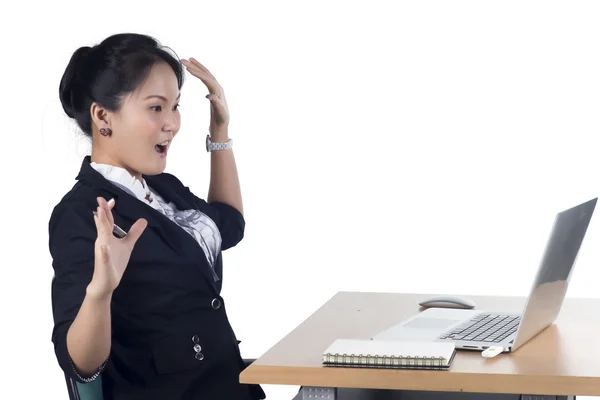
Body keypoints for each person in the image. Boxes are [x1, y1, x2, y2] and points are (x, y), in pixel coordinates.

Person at [49, 33, 265, 400]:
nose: (172, 123)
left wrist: (220, 131)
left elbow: (229, 225)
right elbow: (80, 364)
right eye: (156, 108)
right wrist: (100, 291)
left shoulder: (164, 188)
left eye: (175, 107)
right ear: (103, 116)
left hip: (226, 386)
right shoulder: (82, 213)